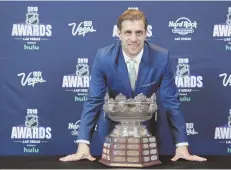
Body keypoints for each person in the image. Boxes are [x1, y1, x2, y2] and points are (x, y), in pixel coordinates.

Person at [60, 9, 207, 162]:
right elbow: (93, 100)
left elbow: (171, 102)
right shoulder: (103, 57)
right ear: (119, 34)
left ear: (146, 33)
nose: (133, 38)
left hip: (147, 130)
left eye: (139, 32)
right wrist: (83, 144)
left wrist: (181, 145)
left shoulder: (161, 58)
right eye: (128, 32)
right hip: (113, 130)